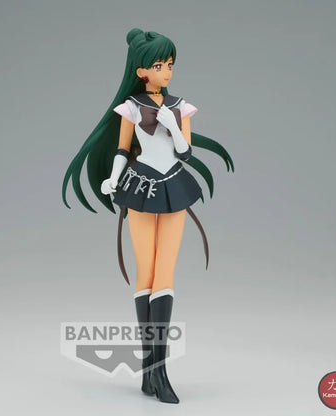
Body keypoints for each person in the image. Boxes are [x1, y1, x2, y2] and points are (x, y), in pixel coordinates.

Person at [62, 28, 234, 404]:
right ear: (141, 71)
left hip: (174, 185)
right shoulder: (131, 108)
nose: (167, 71)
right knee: (146, 272)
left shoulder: (181, 107)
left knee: (165, 273)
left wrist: (172, 125)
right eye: (159, 65)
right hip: (140, 187)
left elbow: (185, 153)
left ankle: (160, 370)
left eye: (170, 64)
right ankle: (150, 369)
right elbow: (123, 149)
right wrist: (113, 176)